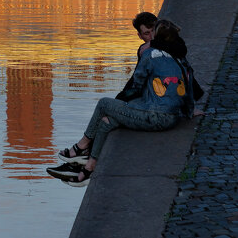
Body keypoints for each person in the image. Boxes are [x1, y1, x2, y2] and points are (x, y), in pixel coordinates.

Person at [48, 20, 201, 186]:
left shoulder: (150, 55)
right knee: (107, 121)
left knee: (104, 104)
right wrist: (189, 111)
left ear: (156, 36)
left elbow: (136, 85)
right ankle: (88, 168)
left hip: (156, 115)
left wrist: (119, 102)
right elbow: (189, 87)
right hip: (173, 117)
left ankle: (80, 147)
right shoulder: (180, 58)